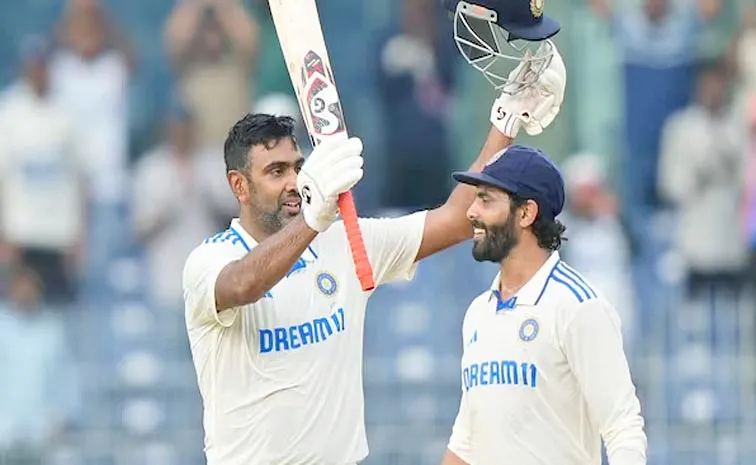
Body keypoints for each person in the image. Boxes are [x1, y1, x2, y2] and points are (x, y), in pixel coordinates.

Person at [182, 1, 566, 463]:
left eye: (297, 168)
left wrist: (505, 122)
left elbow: (454, 219)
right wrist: (314, 219)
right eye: (275, 171)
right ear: (238, 185)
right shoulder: (209, 262)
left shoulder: (342, 240)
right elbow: (245, 284)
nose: (291, 182)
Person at [442, 145, 647, 465]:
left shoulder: (577, 307)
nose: (471, 212)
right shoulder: (478, 313)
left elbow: (623, 428)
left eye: (486, 199)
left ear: (526, 213)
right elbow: (466, 441)